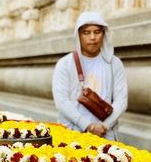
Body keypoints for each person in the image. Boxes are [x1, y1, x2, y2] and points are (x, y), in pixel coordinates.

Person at [52, 11, 128, 141]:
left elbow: (121, 100)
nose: (92, 37)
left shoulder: (114, 64)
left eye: (97, 32)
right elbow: (62, 101)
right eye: (86, 32)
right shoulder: (65, 64)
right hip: (73, 132)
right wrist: (88, 125)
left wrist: (104, 126)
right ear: (79, 35)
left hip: (106, 134)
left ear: (104, 34)